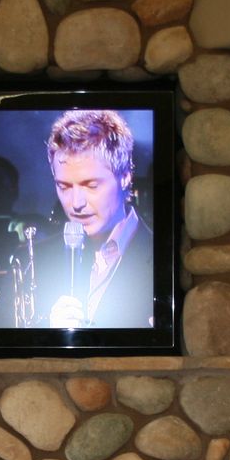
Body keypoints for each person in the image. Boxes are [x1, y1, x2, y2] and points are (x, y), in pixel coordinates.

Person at [40, 109, 154, 328]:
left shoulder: (160, 257)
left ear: (124, 177)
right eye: (64, 187)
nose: (76, 203)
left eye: (91, 186)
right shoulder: (35, 260)